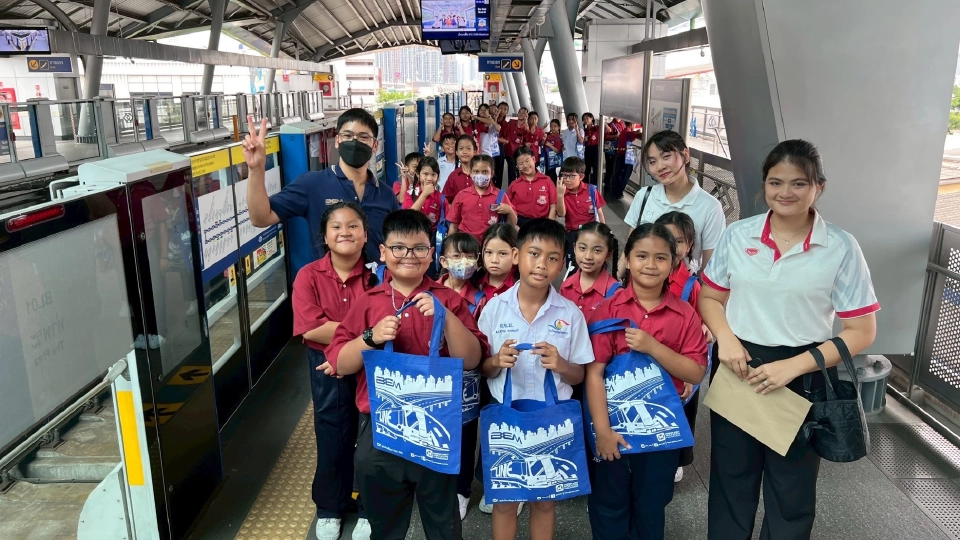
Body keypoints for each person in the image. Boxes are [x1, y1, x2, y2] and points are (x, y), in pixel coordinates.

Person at [699, 140, 879, 540]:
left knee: (791, 491)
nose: (785, 192)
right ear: (764, 184)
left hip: (804, 372)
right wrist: (725, 338)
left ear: (819, 187)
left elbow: (862, 331)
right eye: (775, 182)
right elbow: (709, 296)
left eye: (798, 183)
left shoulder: (840, 247)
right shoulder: (738, 235)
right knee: (731, 480)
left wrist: (793, 367)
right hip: (738, 365)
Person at [325, 210, 488, 540]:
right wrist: (370, 337)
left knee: (443, 522)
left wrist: (446, 319)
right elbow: (341, 364)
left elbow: (471, 359)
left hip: (436, 427)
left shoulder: (448, 300)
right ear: (383, 252)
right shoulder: (367, 303)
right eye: (399, 248)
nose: (409, 256)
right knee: (385, 524)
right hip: (382, 431)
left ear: (432, 254)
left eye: (419, 249)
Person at [586, 223, 708, 540]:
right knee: (609, 501)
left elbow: (695, 372)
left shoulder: (684, 314)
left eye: (660, 258)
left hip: (662, 433)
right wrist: (602, 431)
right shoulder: (607, 311)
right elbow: (594, 373)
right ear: (627, 259)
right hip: (612, 426)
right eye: (641, 256)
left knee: (652, 503)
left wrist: (653, 347)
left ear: (674, 263)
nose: (650, 265)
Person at [478, 219, 595, 540]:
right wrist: (495, 361)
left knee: (544, 502)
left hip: (551, 418)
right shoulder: (494, 309)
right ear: (516, 256)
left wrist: (560, 364)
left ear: (562, 265)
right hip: (507, 419)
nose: (542, 264)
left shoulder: (570, 314)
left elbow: (580, 374)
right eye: (534, 253)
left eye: (553, 257)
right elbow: (483, 368)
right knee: (505, 500)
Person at [293, 202, 378, 540]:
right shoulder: (308, 276)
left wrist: (351, 343)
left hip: (372, 363)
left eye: (353, 226)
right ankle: (330, 506)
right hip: (325, 365)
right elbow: (310, 329)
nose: (345, 232)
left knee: (371, 437)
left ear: (366, 235)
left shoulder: (378, 275)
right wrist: (360, 336)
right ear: (325, 237)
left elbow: (389, 317)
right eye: (337, 227)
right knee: (332, 432)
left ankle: (369, 507)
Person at [244, 109, 398, 265]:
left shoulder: (386, 195)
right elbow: (260, 218)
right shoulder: (312, 184)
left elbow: (396, 244)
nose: (354, 142)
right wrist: (256, 170)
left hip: (378, 287)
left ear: (375, 145)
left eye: (363, 137)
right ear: (337, 141)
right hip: (330, 288)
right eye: (348, 136)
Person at [654, 211, 707, 484]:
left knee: (684, 409)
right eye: (664, 238)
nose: (671, 246)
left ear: (688, 246)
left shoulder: (691, 286)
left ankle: (680, 458)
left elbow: (700, 329)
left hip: (682, 362)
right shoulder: (649, 275)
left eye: (677, 241)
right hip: (652, 357)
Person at [624, 130, 726, 273]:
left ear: (686, 155)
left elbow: (710, 269)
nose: (660, 167)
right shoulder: (644, 196)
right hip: (640, 288)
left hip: (683, 293)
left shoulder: (710, 207)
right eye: (653, 162)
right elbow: (630, 249)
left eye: (666, 157)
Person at [437, 232, 485, 521]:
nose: (463, 262)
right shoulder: (430, 291)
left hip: (466, 378)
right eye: (456, 255)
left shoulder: (479, 299)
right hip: (437, 375)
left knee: (466, 435)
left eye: (469, 256)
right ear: (443, 260)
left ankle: (461, 490)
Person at [448, 155, 517, 242]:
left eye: (485, 172)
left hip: (491, 245)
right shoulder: (461, 195)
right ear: (470, 172)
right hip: (466, 245)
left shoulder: (500, 195)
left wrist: (509, 210)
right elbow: (453, 225)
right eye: (476, 171)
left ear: (491, 173)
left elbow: (511, 225)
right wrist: (448, 248)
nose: (480, 175)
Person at [555, 156, 606, 268]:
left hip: (591, 232)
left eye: (571, 176)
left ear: (581, 176)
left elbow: (600, 213)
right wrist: (560, 195)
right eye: (564, 175)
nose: (567, 179)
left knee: (591, 262)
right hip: (573, 234)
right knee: (573, 265)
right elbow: (561, 214)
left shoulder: (591, 190)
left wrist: (605, 232)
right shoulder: (562, 192)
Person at [559, 222, 619, 315]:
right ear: (574, 248)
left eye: (597, 250)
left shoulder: (616, 293)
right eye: (582, 248)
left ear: (608, 254)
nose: (588, 256)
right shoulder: (566, 286)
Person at [507, 147, 557, 227]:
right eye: (520, 164)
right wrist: (515, 227)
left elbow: (553, 205)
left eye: (527, 161)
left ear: (534, 159)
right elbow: (508, 208)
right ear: (517, 166)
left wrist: (548, 226)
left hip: (542, 223)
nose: (525, 165)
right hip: (520, 223)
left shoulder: (547, 180)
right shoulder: (514, 185)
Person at [404, 156, 445, 233]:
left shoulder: (440, 198)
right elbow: (407, 218)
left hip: (431, 238)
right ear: (418, 174)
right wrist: (424, 195)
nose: (429, 178)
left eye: (433, 174)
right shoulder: (410, 193)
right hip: (411, 235)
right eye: (425, 174)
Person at [442, 135, 479, 205]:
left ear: (475, 151)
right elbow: (445, 200)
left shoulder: (481, 174)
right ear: (456, 152)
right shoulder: (453, 176)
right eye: (461, 148)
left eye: (468, 148)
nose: (465, 152)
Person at [609, 122, 640, 200]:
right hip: (627, 156)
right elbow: (639, 133)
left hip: (621, 155)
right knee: (626, 175)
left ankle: (615, 191)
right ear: (631, 124)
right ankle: (618, 191)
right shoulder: (629, 133)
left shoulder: (624, 131)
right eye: (634, 124)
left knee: (618, 173)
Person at [500, 107, 528, 185]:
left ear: (526, 115)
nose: (521, 114)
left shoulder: (525, 126)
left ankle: (518, 186)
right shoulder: (511, 122)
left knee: (518, 170)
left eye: (523, 113)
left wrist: (526, 120)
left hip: (518, 153)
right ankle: (511, 188)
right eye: (520, 112)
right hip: (508, 151)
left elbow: (526, 131)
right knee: (512, 171)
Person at [582, 113, 600, 185]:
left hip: (595, 149)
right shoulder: (583, 130)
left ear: (592, 118)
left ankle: (594, 186)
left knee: (596, 168)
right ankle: (585, 185)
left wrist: (603, 122)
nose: (586, 120)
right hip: (587, 149)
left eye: (587, 118)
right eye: (584, 119)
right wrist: (584, 140)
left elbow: (608, 129)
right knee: (586, 168)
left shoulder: (597, 128)